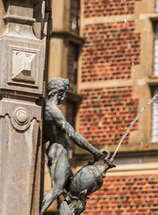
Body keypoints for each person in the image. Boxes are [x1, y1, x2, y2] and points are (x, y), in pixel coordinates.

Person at [41, 78, 108, 215]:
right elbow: (73, 135)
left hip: (53, 150)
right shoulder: (54, 111)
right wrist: (94, 151)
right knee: (57, 191)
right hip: (60, 151)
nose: (65, 97)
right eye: (64, 93)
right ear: (59, 92)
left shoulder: (44, 110)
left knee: (70, 190)